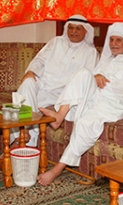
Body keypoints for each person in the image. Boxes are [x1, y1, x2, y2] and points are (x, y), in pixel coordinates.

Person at [37, 22, 123, 186]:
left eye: (118, 40)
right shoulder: (108, 60)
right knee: (83, 73)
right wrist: (95, 78)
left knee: (85, 122)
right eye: (111, 39)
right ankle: (60, 115)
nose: (113, 44)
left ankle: (57, 169)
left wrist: (102, 82)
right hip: (96, 97)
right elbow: (92, 78)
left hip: (115, 104)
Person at [11, 14, 99, 146]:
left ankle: (21, 142)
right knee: (27, 84)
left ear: (85, 31)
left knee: (23, 106)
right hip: (43, 86)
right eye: (71, 28)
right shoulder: (56, 42)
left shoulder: (90, 52)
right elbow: (40, 60)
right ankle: (25, 134)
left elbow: (87, 80)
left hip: (61, 95)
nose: (73, 31)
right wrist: (30, 72)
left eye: (78, 28)